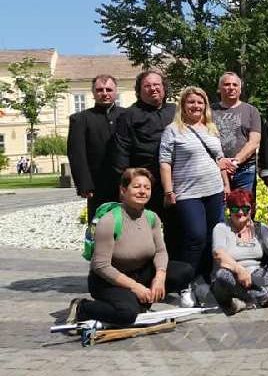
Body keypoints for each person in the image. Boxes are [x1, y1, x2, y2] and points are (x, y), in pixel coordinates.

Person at [65, 168, 194, 326]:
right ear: (123, 190)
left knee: (184, 271)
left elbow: (160, 251)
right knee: (127, 314)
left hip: (140, 273)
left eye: (147, 188)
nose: (142, 191)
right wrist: (135, 287)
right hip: (109, 281)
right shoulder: (109, 220)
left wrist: (159, 278)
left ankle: (139, 303)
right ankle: (82, 308)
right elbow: (101, 266)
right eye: (137, 187)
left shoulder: (152, 217)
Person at [159, 87, 229, 307]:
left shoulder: (210, 128)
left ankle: (206, 282)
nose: (196, 106)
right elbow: (165, 161)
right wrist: (168, 190)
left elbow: (219, 159)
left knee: (212, 238)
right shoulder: (173, 130)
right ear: (183, 105)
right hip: (188, 193)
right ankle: (184, 285)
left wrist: (226, 185)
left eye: (200, 102)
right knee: (195, 237)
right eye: (191, 102)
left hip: (214, 190)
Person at [112, 71, 178, 252]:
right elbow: (121, 150)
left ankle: (173, 269)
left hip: (177, 181)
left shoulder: (176, 112)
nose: (153, 89)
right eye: (147, 86)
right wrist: (126, 185)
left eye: (157, 84)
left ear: (164, 88)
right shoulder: (129, 116)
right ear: (139, 91)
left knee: (177, 229)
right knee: (144, 230)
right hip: (145, 183)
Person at [211, 189, 268, 314]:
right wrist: (239, 270)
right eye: (235, 209)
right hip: (232, 278)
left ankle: (245, 302)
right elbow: (219, 254)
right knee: (222, 275)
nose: (240, 212)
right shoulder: (221, 228)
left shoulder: (259, 228)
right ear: (229, 210)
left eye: (245, 209)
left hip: (256, 277)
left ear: (252, 209)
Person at [68, 74, 126, 220]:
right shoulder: (80, 120)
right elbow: (77, 154)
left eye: (109, 89)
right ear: (93, 93)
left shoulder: (127, 115)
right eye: (100, 90)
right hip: (98, 185)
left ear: (115, 91)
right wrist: (84, 184)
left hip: (127, 183)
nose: (105, 93)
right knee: (99, 229)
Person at [212, 72, 261, 193]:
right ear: (219, 88)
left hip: (245, 170)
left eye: (235, 84)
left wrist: (234, 162)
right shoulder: (209, 111)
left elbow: (254, 142)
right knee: (218, 210)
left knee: (243, 210)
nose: (231, 88)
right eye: (226, 84)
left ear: (240, 89)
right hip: (215, 169)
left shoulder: (251, 111)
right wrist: (222, 164)